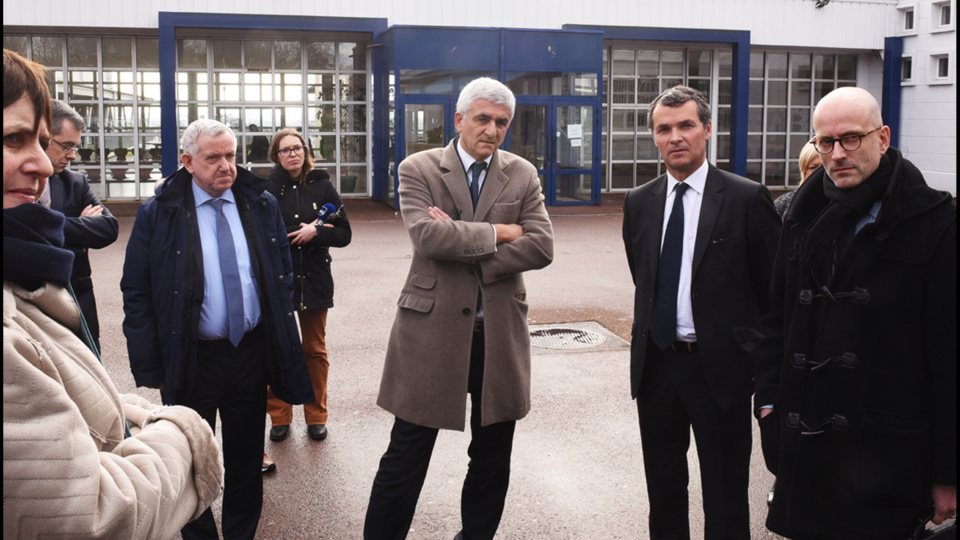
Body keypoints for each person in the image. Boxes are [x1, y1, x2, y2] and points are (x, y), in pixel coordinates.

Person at [4, 48, 223, 539]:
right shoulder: (159, 209)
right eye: (13, 139)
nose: (44, 164)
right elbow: (91, 518)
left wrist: (117, 407)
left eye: (43, 142)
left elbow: (102, 231)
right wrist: (184, 432)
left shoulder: (30, 258)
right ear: (188, 162)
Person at [755, 86, 956, 539]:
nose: (837, 153)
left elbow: (949, 358)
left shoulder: (936, 223)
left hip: (888, 452)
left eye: (851, 139)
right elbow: (775, 322)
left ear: (882, 138)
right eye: (825, 142)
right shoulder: (799, 216)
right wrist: (769, 404)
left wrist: (948, 472)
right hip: (807, 442)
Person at [363, 77, 554, 540]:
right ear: (460, 119)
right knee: (406, 455)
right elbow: (428, 238)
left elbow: (542, 247)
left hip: (499, 336)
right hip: (430, 333)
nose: (491, 129)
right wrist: (501, 232)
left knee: (492, 460)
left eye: (501, 122)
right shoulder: (419, 169)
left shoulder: (522, 173)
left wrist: (464, 240)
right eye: (483, 118)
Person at [121, 118, 315, 540]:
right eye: (213, 158)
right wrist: (150, 364)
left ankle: (241, 534)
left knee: (246, 457)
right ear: (189, 162)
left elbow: (280, 271)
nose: (226, 166)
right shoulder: (160, 212)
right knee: (191, 460)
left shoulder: (259, 204)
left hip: (248, 354)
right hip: (191, 358)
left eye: (230, 155)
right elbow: (136, 291)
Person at [621, 85, 780, 539]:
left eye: (686, 125)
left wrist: (759, 369)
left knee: (726, 493)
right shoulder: (639, 202)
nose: (676, 137)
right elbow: (645, 279)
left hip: (721, 372)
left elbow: (772, 295)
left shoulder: (747, 198)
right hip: (656, 367)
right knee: (664, 489)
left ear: (707, 130)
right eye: (664, 129)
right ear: (654, 137)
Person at [264, 128, 352, 444]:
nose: (293, 154)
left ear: (306, 151)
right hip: (279, 281)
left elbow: (344, 234)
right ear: (276, 155)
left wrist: (318, 232)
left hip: (315, 279)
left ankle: (316, 416)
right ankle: (280, 416)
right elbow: (260, 233)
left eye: (297, 148)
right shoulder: (267, 191)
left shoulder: (323, 186)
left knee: (314, 350)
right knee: (279, 351)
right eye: (285, 150)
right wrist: (302, 230)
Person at [42, 99, 119, 353]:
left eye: (75, 147)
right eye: (66, 146)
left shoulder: (75, 182)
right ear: (43, 136)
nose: (72, 156)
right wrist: (80, 225)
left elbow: (108, 228)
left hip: (79, 300)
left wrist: (49, 223)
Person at [774, 141, 822, 221]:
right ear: (804, 172)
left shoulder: (846, 204)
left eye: (824, 167)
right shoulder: (784, 204)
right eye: (813, 167)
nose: (819, 173)